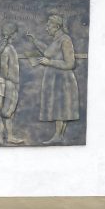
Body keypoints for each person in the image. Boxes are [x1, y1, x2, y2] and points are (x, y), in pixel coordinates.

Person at [28, 13, 80, 145]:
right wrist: (35, 41)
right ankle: (59, 135)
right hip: (55, 79)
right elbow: (48, 52)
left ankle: (58, 136)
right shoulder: (57, 39)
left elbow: (70, 64)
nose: (46, 28)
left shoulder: (65, 39)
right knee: (58, 107)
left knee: (60, 108)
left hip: (62, 80)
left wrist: (49, 62)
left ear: (56, 26)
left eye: (49, 26)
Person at [0, 22, 25, 145]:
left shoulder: (9, 48)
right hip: (10, 84)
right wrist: (11, 81)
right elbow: (4, 68)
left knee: (9, 110)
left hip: (11, 83)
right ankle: (10, 136)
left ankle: (7, 135)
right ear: (14, 34)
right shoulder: (7, 49)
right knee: (8, 111)